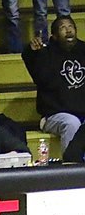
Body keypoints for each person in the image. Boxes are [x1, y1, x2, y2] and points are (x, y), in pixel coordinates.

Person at [23, 16, 85, 149]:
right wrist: (33, 52)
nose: (68, 30)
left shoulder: (83, 50)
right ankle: (72, 167)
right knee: (71, 123)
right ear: (55, 36)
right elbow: (38, 75)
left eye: (71, 27)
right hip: (54, 116)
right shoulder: (46, 54)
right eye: (63, 28)